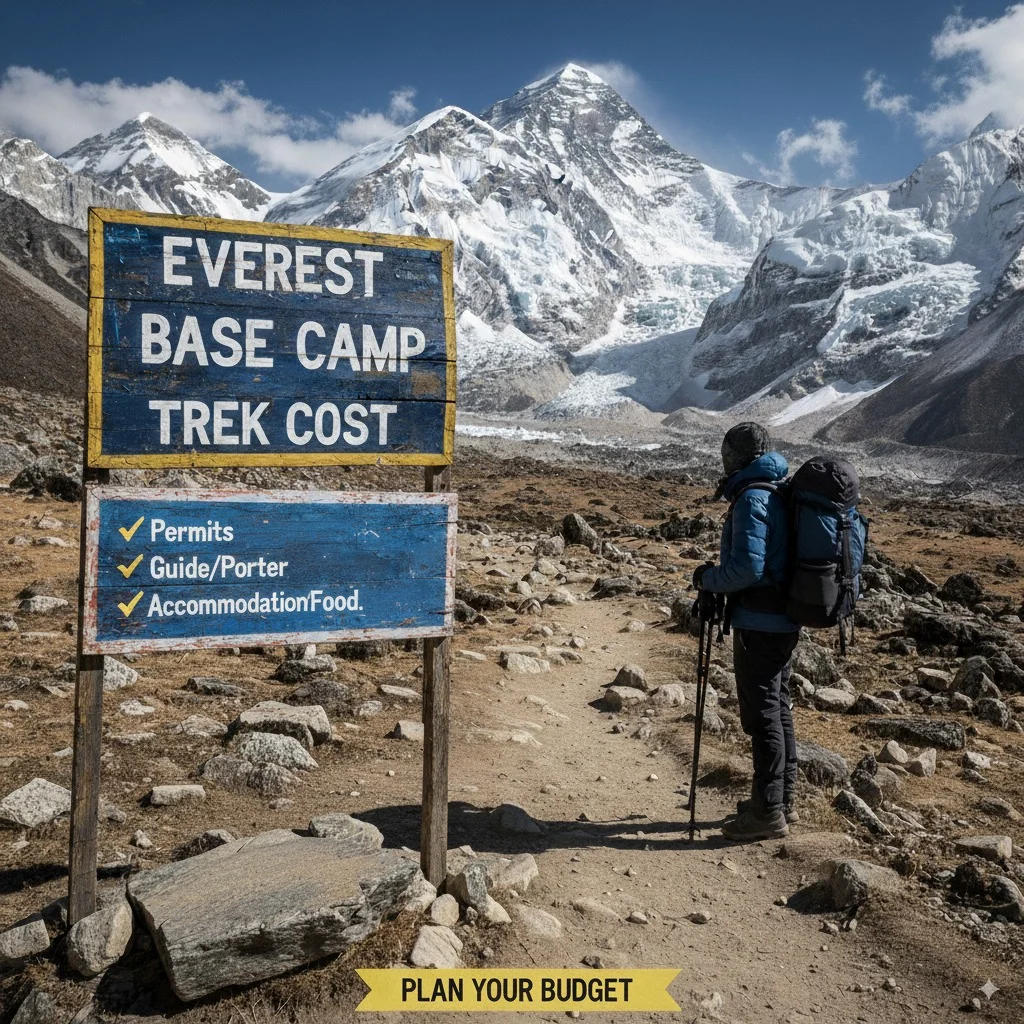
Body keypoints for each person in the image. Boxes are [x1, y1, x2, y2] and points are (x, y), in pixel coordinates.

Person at [692, 422, 799, 841]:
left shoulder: (753, 497)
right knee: (778, 707)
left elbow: (748, 569)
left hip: (760, 621)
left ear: (735, 457)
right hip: (782, 619)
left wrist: (707, 579)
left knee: (763, 714)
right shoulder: (777, 491)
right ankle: (780, 799)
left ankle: (767, 812)